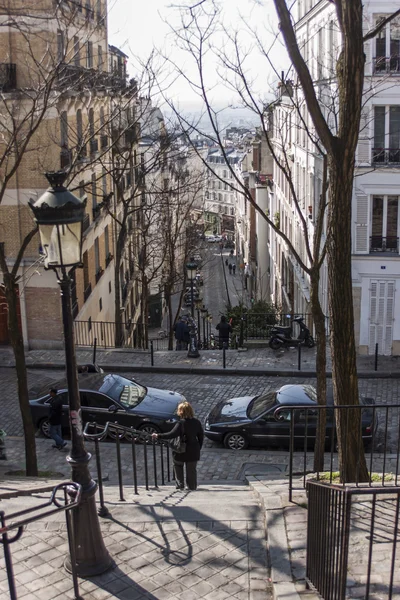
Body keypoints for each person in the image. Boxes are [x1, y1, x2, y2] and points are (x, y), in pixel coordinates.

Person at [152, 401, 203, 491]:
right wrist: (198, 448)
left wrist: (158, 435)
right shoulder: (197, 422)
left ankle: (180, 485)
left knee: (178, 466)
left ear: (181, 412)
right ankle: (192, 487)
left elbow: (171, 434)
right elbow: (201, 437)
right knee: (191, 470)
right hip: (193, 450)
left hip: (181, 450)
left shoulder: (181, 423)